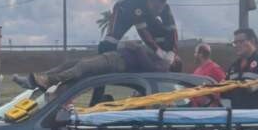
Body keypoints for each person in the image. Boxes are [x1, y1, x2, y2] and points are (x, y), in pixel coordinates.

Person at [14, 41, 174, 90]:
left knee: (82, 66)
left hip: (117, 62)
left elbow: (148, 66)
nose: (173, 55)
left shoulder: (162, 66)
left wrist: (138, 48)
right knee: (71, 63)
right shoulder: (158, 55)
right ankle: (35, 79)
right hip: (114, 57)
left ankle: (47, 81)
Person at [98, 0, 178, 64]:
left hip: (146, 13)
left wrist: (171, 53)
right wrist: (158, 51)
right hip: (124, 11)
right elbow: (142, 32)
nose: (158, 12)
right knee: (110, 42)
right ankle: (109, 54)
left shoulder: (165, 8)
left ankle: (157, 63)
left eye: (160, 9)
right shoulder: (136, 3)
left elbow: (172, 31)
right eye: (156, 8)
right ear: (149, 1)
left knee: (162, 36)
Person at [191, 42, 226, 107]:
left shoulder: (215, 69)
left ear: (201, 54)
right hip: (196, 109)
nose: (194, 55)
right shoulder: (197, 70)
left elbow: (225, 87)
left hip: (207, 110)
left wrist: (213, 103)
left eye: (195, 53)